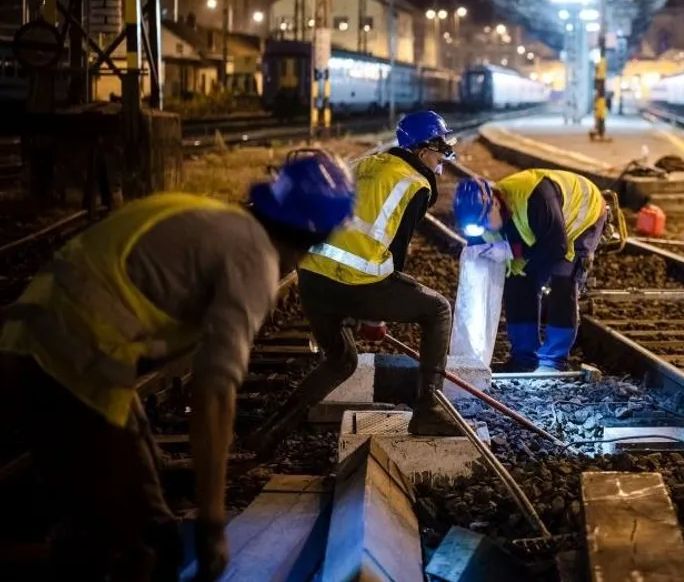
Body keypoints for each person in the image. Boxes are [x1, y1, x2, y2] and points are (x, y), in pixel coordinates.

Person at [0, 151, 355, 582]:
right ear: (314, 236)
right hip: (67, 361)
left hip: (52, 346)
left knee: (148, 526)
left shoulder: (219, 220)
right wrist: (211, 520)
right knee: (128, 548)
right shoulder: (254, 258)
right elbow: (213, 394)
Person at [246, 111, 461, 452]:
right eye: (441, 151)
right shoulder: (415, 184)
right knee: (438, 310)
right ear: (422, 150)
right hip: (355, 281)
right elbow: (395, 254)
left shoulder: (365, 163)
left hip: (314, 280)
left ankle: (270, 432)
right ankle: (429, 409)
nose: (443, 161)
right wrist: (374, 315)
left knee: (341, 361)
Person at [453, 169, 607, 373]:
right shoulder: (481, 215)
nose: (485, 231)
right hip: (546, 229)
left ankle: (553, 361)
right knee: (518, 281)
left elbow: (556, 247)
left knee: (562, 281)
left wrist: (512, 250)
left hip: (581, 216)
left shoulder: (535, 198)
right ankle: (524, 358)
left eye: (484, 224)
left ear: (496, 204)